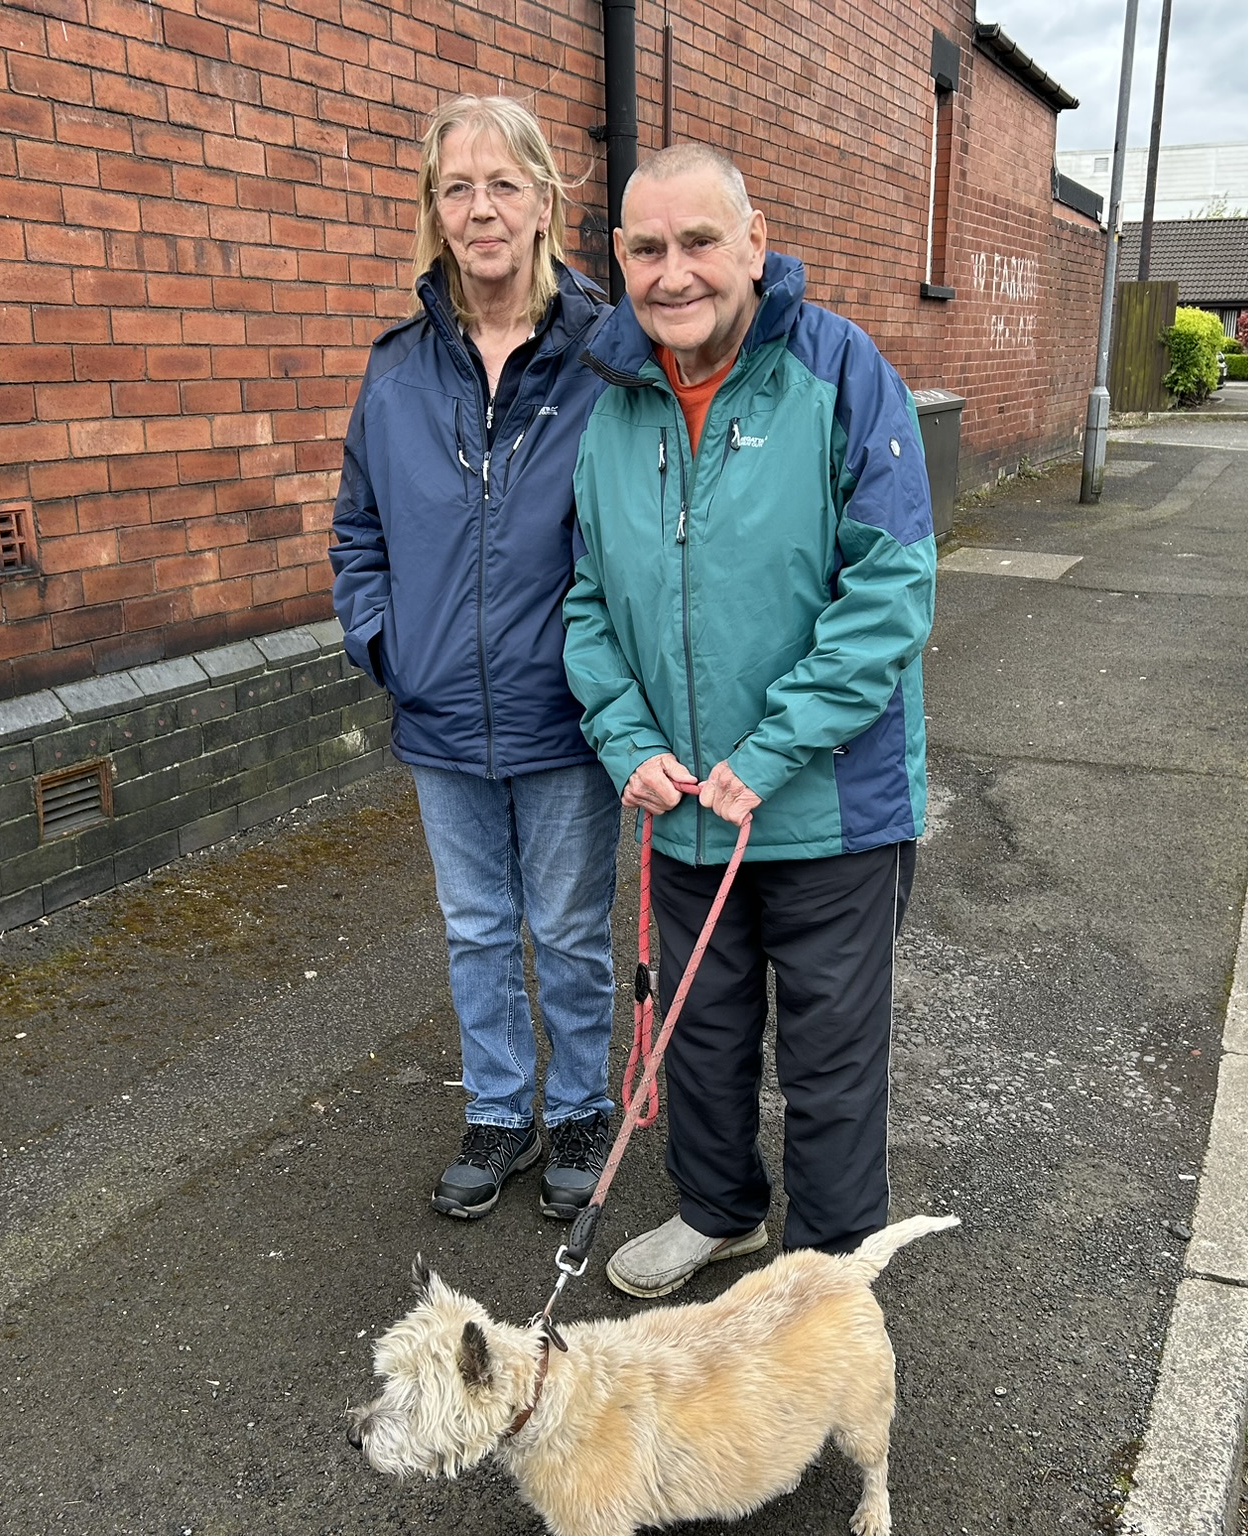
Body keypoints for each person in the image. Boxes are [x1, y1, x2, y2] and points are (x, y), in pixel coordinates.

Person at [562, 144, 937, 1296]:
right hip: (684, 816)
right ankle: (717, 1210)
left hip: (825, 812)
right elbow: (584, 601)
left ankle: (821, 1289)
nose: (672, 274)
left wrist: (769, 752)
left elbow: (889, 589)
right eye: (645, 248)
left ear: (754, 242)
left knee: (829, 1065)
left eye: (698, 242)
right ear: (619, 260)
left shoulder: (840, 371)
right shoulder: (612, 405)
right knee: (700, 1037)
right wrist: (628, 745)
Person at [332, 97, 619, 1222]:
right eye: (458, 187)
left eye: (504, 183)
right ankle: (501, 1112)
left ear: (546, 200)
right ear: (432, 210)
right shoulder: (397, 370)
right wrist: (381, 640)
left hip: (565, 712)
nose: (481, 207)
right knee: (474, 929)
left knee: (567, 930)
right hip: (439, 707)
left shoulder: (607, 352)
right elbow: (355, 528)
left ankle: (584, 1105)